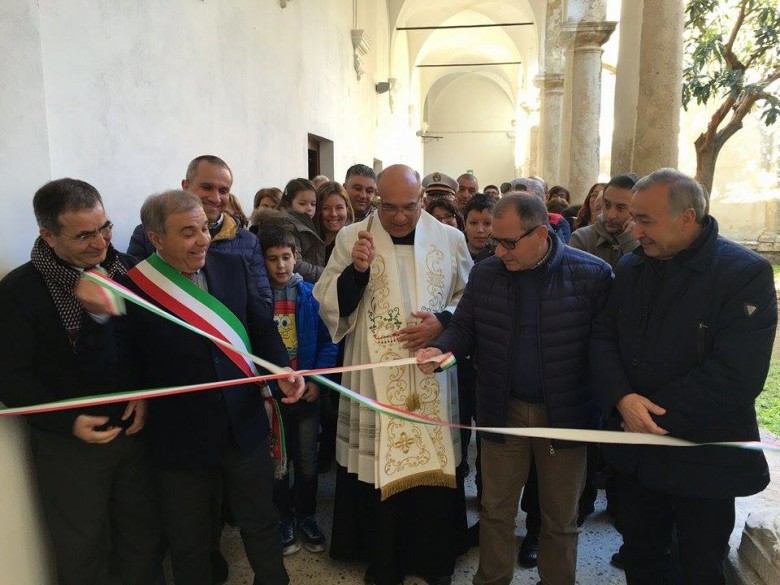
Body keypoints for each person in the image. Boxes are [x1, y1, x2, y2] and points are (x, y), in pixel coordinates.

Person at [104, 190, 305, 585]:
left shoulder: (231, 266)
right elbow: (124, 357)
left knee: (261, 524)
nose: (202, 240)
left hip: (241, 424)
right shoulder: (135, 287)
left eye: (203, 228)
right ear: (156, 238)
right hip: (180, 436)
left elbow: (261, 327)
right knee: (190, 540)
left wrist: (282, 370)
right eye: (187, 232)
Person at [591, 168, 775, 585]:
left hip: (703, 461)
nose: (632, 229)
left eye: (644, 220)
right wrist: (622, 398)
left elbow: (737, 374)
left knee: (698, 567)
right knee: (640, 559)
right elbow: (603, 337)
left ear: (686, 218)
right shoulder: (634, 266)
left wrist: (649, 416)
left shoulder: (744, 274)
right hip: (637, 458)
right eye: (632, 218)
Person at [418, 193, 612, 585]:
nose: (500, 250)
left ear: (541, 233)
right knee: (495, 510)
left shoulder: (592, 275)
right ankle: (491, 579)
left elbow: (606, 348)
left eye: (509, 242)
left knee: (560, 517)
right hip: (501, 409)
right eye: (494, 241)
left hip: (565, 416)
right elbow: (464, 328)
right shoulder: (487, 274)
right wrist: (441, 350)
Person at [314, 164, 473, 585]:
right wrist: (357, 273)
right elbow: (330, 304)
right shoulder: (353, 238)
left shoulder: (450, 238)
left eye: (409, 206)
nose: (400, 217)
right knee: (381, 455)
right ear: (375, 200)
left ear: (422, 199)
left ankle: (432, 556)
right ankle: (383, 557)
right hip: (374, 369)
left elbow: (468, 297)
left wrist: (442, 320)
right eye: (390, 208)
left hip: (431, 370)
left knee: (432, 457)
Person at [0, 178, 163, 585]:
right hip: (70, 443)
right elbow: (10, 379)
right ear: (48, 236)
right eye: (84, 234)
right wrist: (68, 421)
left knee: (142, 536)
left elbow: (143, 345)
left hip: (133, 430)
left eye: (104, 227)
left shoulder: (123, 268)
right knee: (82, 546)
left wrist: (143, 393)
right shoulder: (21, 291)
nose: (100, 243)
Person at [259, 227, 338, 556]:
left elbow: (328, 341)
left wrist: (316, 381)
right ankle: (283, 518)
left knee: (306, 459)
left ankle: (306, 514)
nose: (280, 265)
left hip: (305, 394)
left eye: (286, 257)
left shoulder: (311, 294)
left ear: (297, 258)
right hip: (272, 397)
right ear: (262, 262)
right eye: (272, 259)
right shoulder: (257, 299)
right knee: (279, 460)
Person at [127, 155, 272, 309]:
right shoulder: (146, 235)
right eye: (207, 188)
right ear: (186, 186)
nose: (215, 198)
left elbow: (263, 306)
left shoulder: (248, 242)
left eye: (223, 190)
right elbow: (133, 294)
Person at [570, 174, 639, 269]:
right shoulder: (582, 239)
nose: (611, 215)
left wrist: (629, 241)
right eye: (607, 205)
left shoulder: (647, 241)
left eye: (621, 208)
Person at [280, 178, 327, 282]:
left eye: (313, 204)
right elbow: (296, 264)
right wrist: (326, 273)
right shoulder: (288, 226)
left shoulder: (309, 222)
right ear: (288, 203)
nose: (309, 208)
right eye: (302, 203)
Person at [316, 180, 355, 261]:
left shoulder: (354, 242)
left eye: (339, 208)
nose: (333, 214)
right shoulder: (308, 241)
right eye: (326, 208)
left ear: (347, 209)